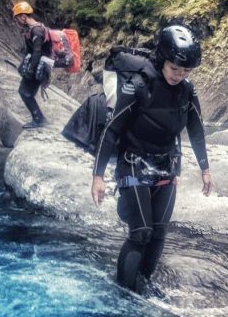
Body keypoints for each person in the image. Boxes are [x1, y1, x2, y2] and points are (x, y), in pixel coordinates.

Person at [91, 25, 213, 295]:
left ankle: (143, 284)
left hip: (166, 167)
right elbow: (112, 131)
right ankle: (122, 292)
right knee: (141, 232)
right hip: (133, 163)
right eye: (174, 69)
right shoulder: (139, 85)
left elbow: (196, 130)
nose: (179, 76)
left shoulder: (187, 90)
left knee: (159, 231)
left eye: (185, 71)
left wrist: (205, 169)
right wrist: (97, 176)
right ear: (161, 59)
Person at [12, 1, 51, 129]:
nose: (17, 20)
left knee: (24, 92)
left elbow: (37, 52)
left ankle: (39, 120)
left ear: (23, 16)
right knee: (26, 92)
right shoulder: (35, 28)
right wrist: (23, 65)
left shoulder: (36, 30)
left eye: (18, 17)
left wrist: (30, 69)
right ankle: (39, 119)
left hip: (38, 67)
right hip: (39, 66)